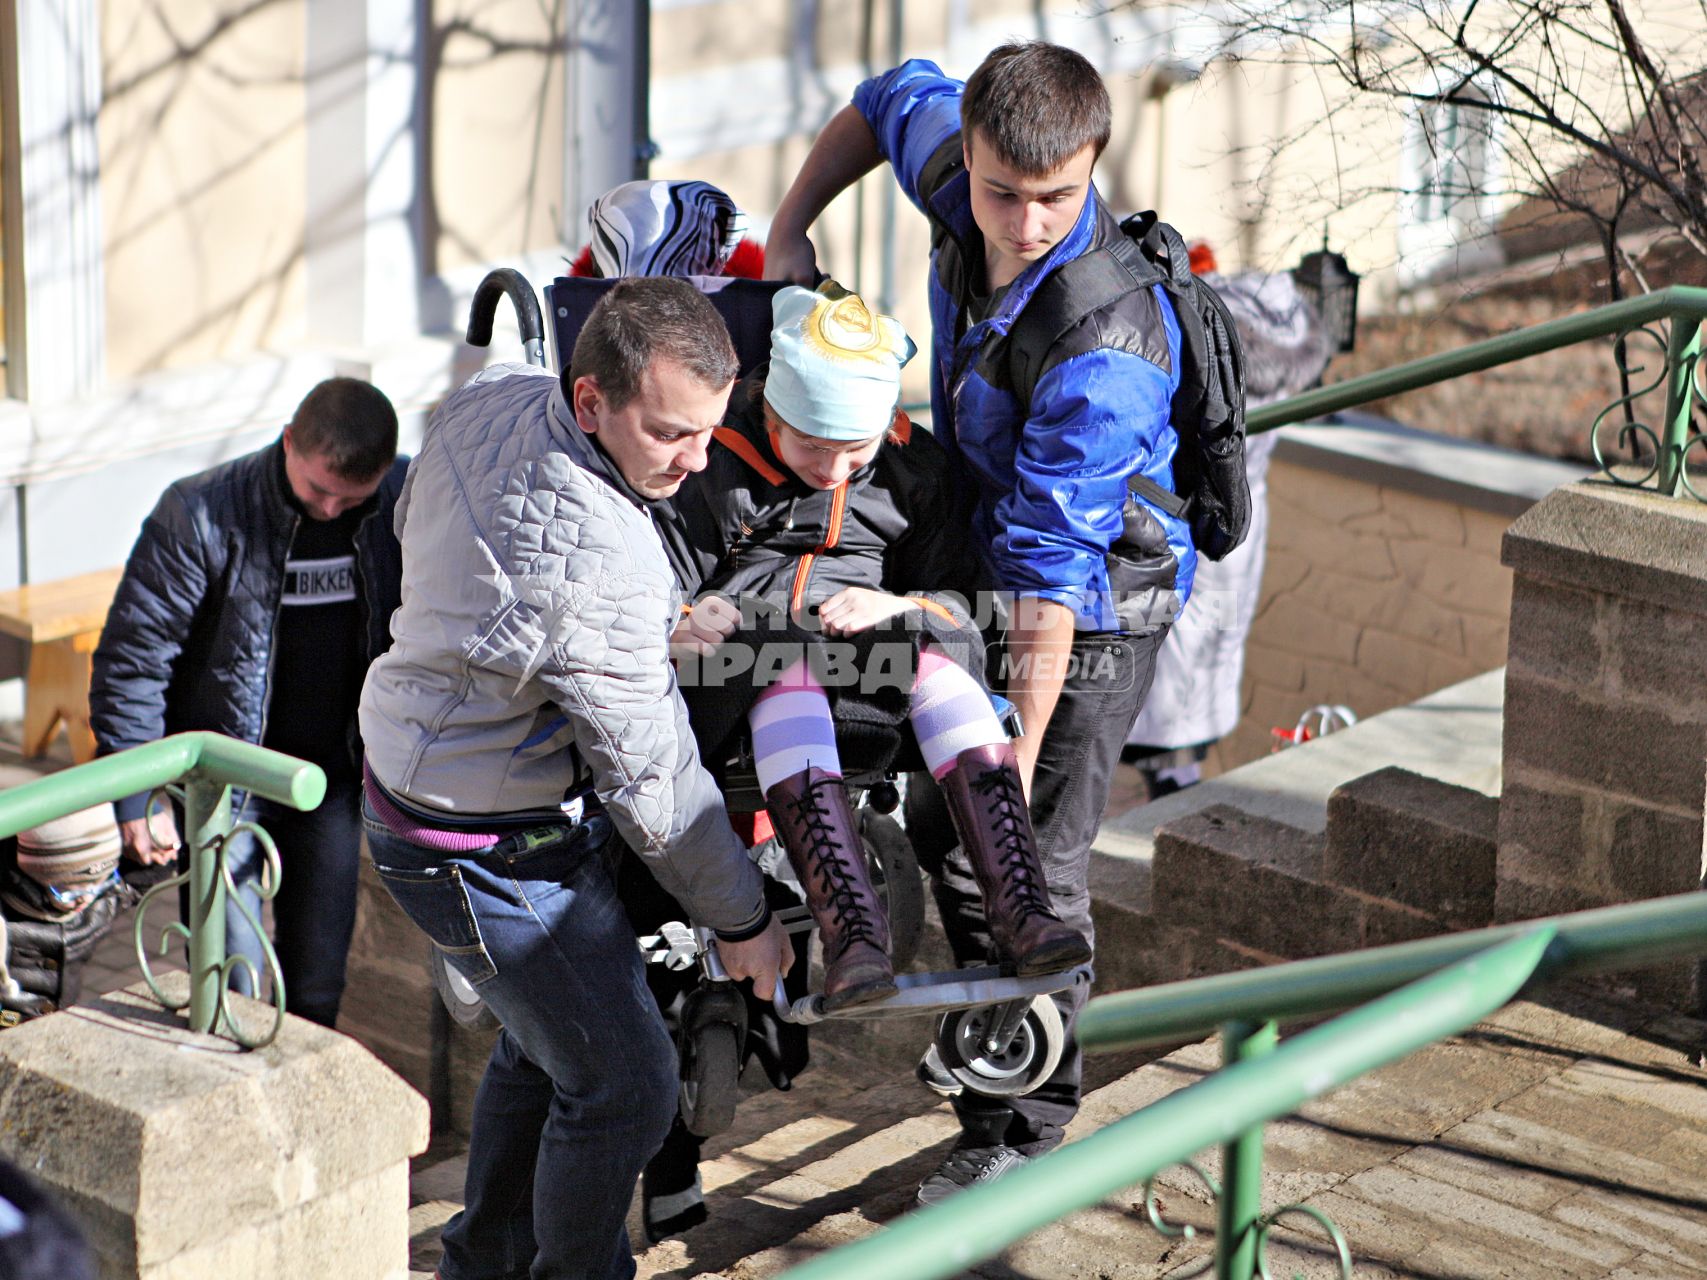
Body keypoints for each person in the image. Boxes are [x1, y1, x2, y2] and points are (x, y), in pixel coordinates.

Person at [765, 41, 1196, 1203]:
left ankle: (1024, 1119)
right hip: (974, 538)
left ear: (1094, 162)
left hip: (1094, 602)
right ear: (970, 152)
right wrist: (793, 225)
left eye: (1056, 196)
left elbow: (1051, 584)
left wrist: (1009, 738)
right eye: (1001, 190)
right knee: (945, 820)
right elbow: (880, 96)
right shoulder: (957, 159)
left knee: (1020, 858)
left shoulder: (1106, 352)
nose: (1022, 220)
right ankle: (991, 1037)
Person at [357, 276, 793, 1280]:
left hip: (429, 768)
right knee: (630, 1081)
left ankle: (482, 1262)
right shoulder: (606, 557)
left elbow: (448, 527)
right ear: (590, 399)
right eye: (671, 433)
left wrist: (607, 633)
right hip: (473, 844)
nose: (694, 461)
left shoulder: (489, 394)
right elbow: (660, 788)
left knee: (551, 1041)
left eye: (709, 434)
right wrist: (742, 918)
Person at [666, 282, 1092, 1010]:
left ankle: (1022, 907)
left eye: (852, 451)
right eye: (810, 446)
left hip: (865, 657)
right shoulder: (714, 462)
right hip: (744, 666)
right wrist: (681, 614)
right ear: (769, 407)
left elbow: (961, 599)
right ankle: (852, 935)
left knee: (931, 656)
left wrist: (901, 604)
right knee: (782, 664)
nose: (832, 470)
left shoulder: (908, 469)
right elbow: (656, 570)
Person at [89, 377, 406, 1028]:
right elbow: (134, 659)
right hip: (221, 786)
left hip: (329, 784)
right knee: (227, 983)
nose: (330, 509)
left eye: (352, 498)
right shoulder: (201, 511)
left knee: (317, 985)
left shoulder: (405, 496)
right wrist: (135, 793)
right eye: (318, 488)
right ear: (287, 440)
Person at [1125, 251, 1338, 795]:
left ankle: (1169, 782)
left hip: (1182, 516)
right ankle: (1179, 775)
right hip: (1242, 518)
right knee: (1203, 658)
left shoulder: (1207, 356)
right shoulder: (1287, 346)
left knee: (1167, 657)